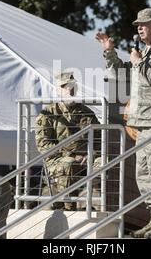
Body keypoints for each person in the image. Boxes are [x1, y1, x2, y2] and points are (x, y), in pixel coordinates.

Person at [96, 8, 151, 238]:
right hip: (143, 124)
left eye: (144, 24)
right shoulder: (145, 52)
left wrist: (138, 63)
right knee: (143, 176)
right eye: (138, 25)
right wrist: (110, 53)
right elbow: (123, 75)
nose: (139, 28)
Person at [35, 72, 101, 211]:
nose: (70, 89)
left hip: (86, 158)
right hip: (57, 159)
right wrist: (70, 155)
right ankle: (68, 207)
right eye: (65, 86)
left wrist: (92, 155)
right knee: (69, 163)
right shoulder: (48, 114)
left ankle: (99, 202)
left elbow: (100, 141)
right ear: (57, 90)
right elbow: (43, 145)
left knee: (103, 162)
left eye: (72, 86)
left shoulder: (87, 112)